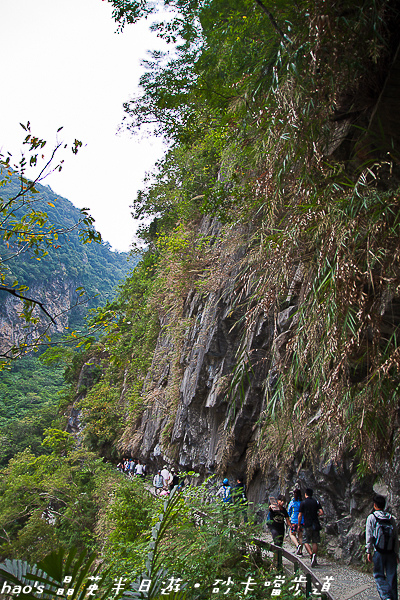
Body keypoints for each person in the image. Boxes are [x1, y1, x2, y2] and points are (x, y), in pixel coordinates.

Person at [366, 493, 399, 600]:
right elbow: (395, 537)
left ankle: (386, 597)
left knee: (379, 575)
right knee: (392, 576)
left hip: (378, 551)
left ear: (374, 505)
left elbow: (369, 535)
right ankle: (393, 598)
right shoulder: (391, 518)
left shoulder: (372, 517)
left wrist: (368, 551)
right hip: (391, 552)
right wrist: (396, 552)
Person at [298, 488, 323, 567]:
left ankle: (311, 555)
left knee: (305, 541)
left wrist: (299, 525)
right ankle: (315, 557)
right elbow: (321, 512)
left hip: (307, 524)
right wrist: (316, 515)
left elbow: (300, 515)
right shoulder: (316, 502)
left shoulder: (303, 503)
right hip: (315, 524)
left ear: (305, 494)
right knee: (314, 541)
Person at [288, 488, 304, 555]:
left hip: (294, 520)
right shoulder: (302, 502)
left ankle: (297, 545)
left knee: (292, 534)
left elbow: (289, 511)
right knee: (300, 536)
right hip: (302, 521)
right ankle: (300, 552)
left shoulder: (292, 502)